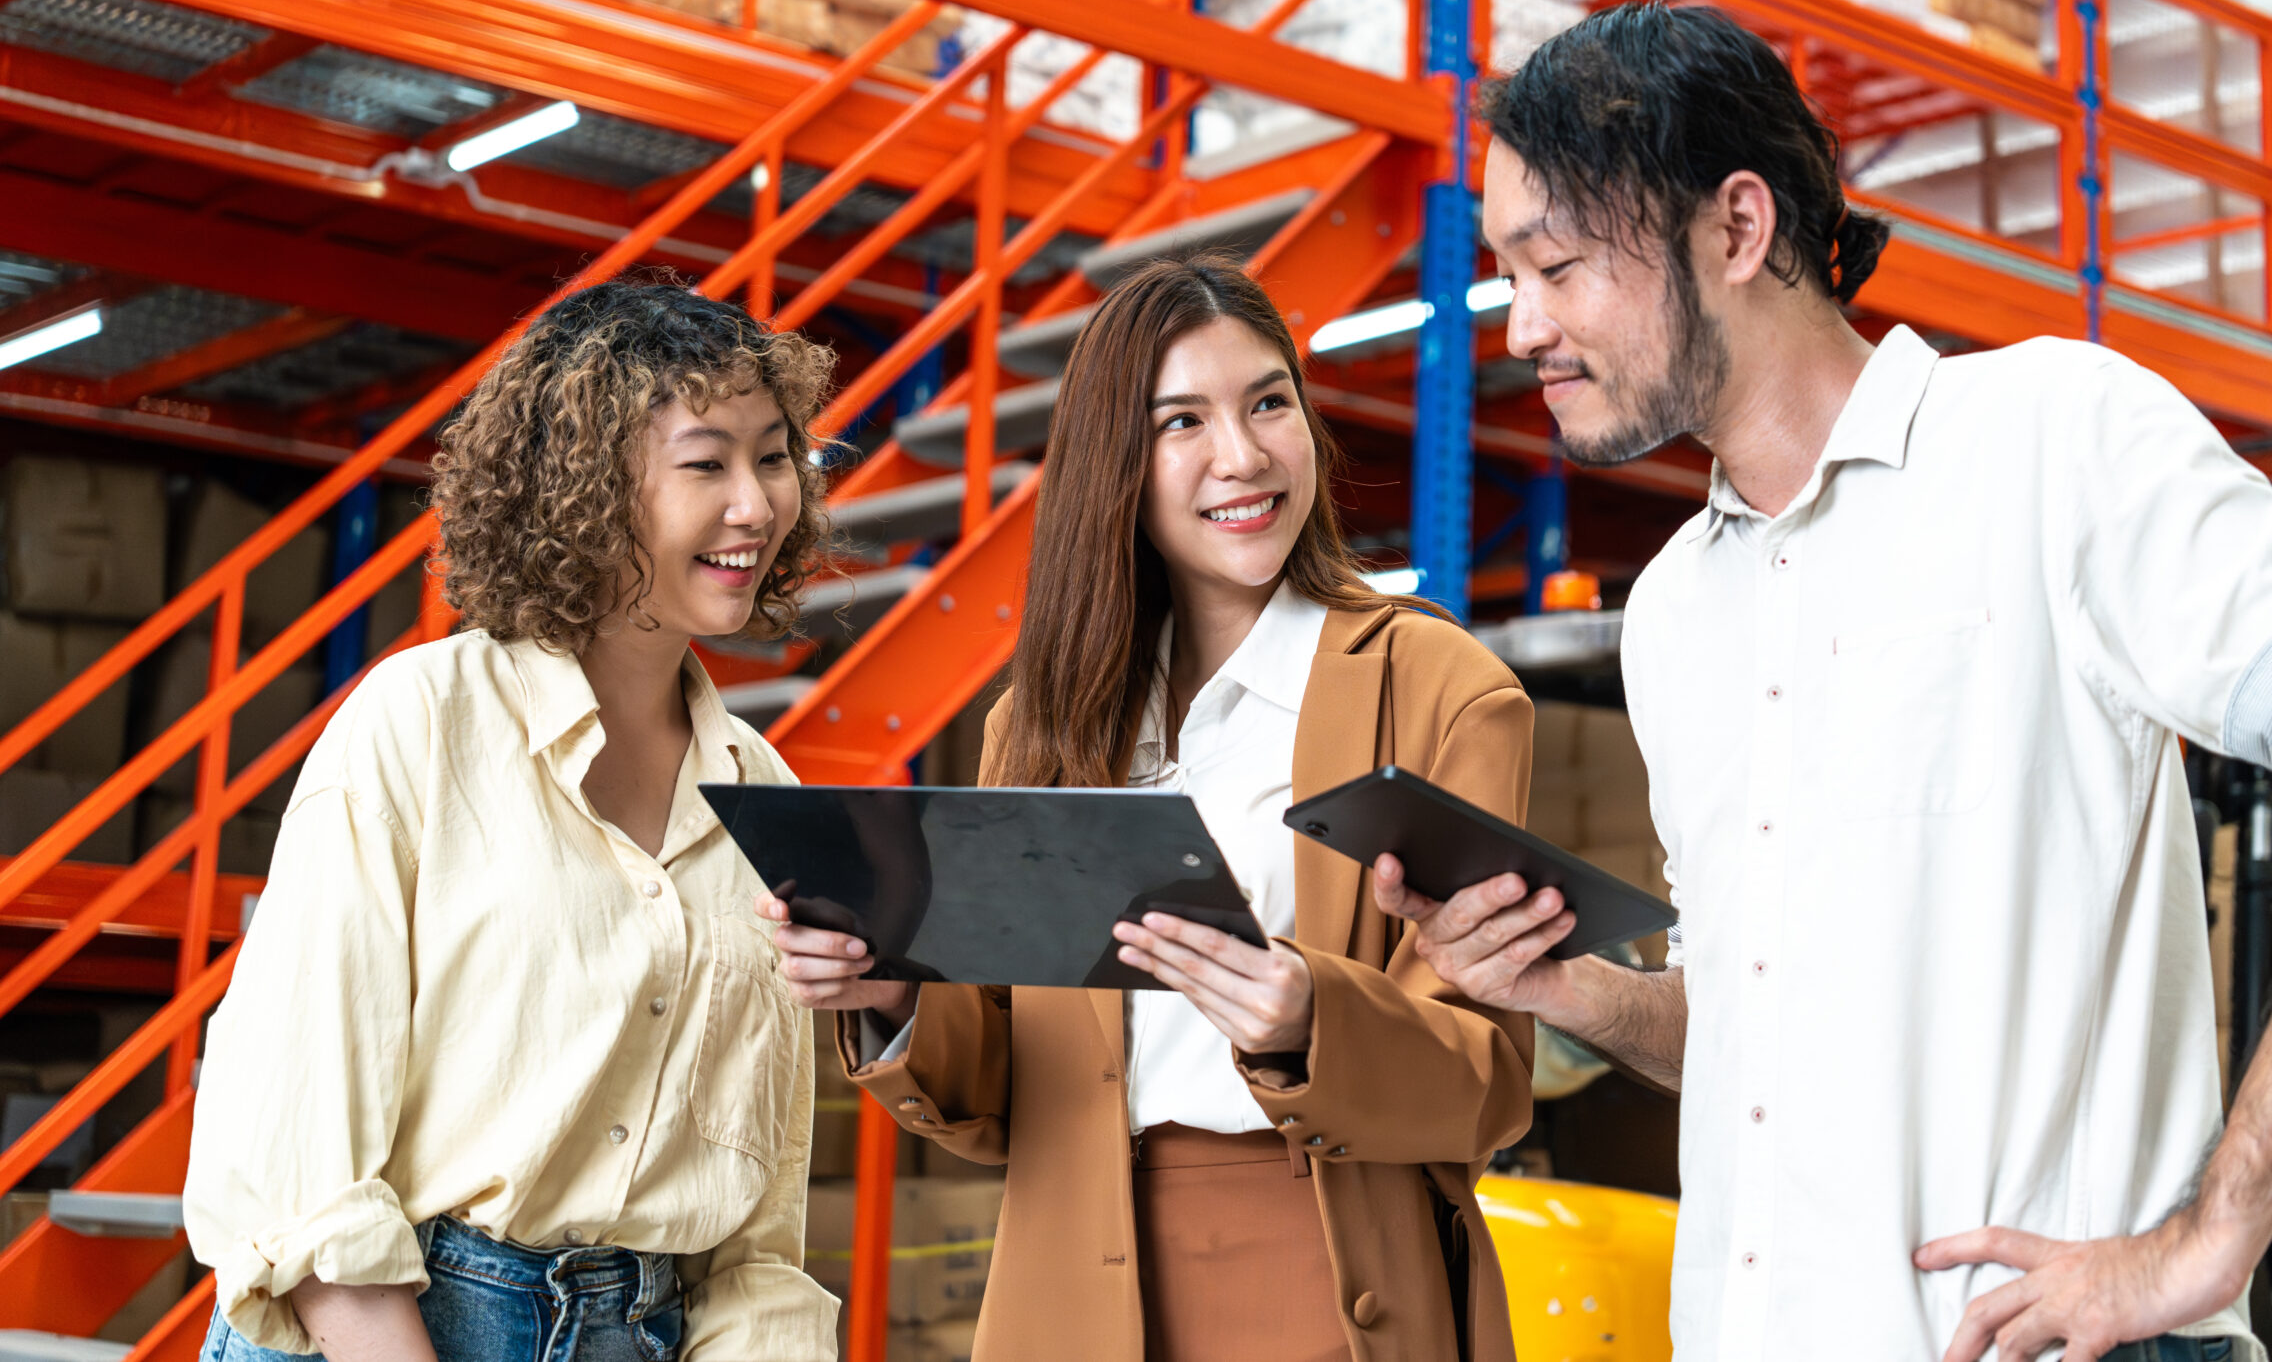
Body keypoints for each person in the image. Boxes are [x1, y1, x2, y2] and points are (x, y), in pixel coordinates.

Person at [1372, 2, 2272, 1362]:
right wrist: (1583, 996)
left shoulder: (2052, 443)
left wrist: (2215, 1235)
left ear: (1739, 229)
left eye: (1556, 266)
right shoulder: (1676, 608)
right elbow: (1769, 1036)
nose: (1522, 328)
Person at [758, 256, 1536, 1362]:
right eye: (1182, 421)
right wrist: (892, 990)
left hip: (1335, 1279)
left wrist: (1310, 1020)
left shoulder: (1438, 690)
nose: (1243, 454)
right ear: (1114, 464)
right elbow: (999, 1094)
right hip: (1074, 1292)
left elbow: (1490, 1084)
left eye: (1269, 401)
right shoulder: (1037, 727)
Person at [184, 282, 841, 1362]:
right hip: (396, 1327)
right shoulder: (417, 725)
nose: (758, 506)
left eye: (774, 458)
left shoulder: (764, 796)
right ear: (586, 486)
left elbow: (757, 1217)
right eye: (706, 462)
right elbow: (301, 1161)